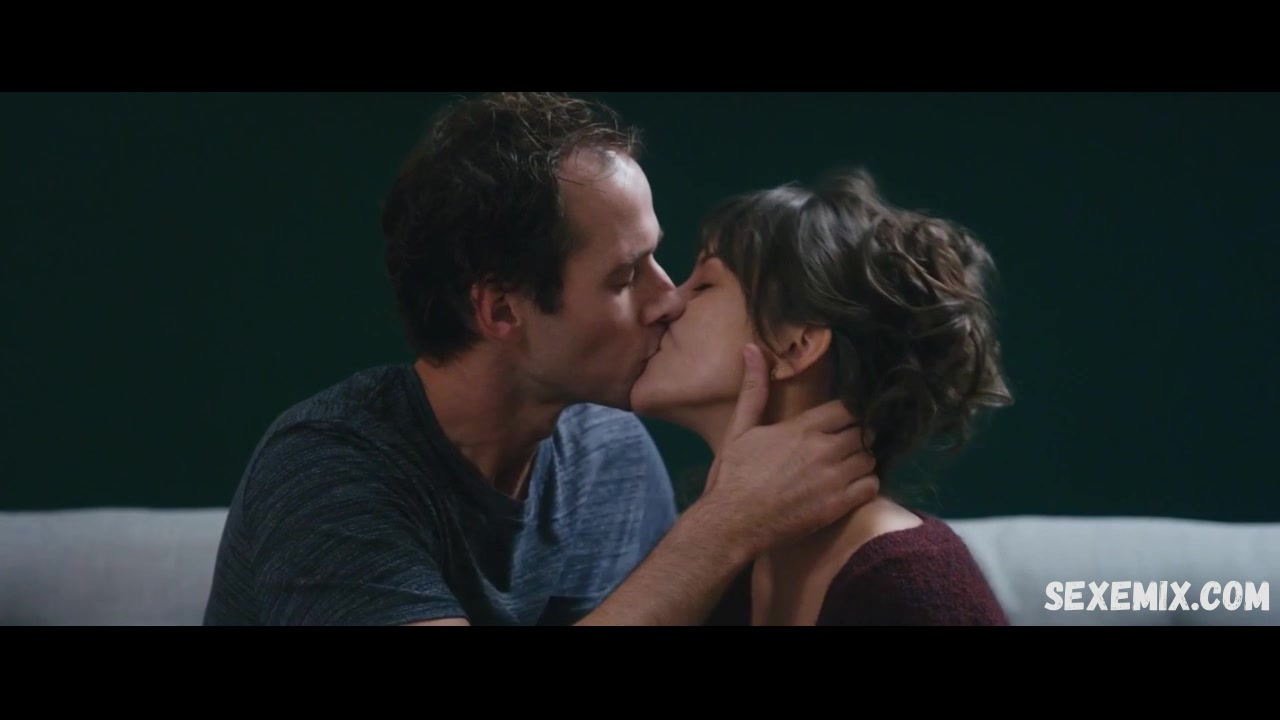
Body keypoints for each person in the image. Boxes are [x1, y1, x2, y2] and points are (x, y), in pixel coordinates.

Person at [201, 92, 880, 626]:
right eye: (625, 276)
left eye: (656, 259)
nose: (667, 299)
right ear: (501, 311)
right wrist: (724, 524)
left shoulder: (613, 457)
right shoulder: (327, 473)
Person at [630, 169, 1014, 625]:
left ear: (797, 345)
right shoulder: (726, 569)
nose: (667, 303)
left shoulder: (910, 585)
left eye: (704, 284)